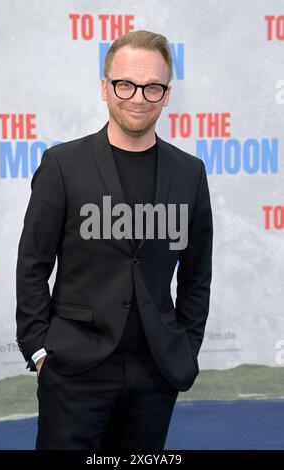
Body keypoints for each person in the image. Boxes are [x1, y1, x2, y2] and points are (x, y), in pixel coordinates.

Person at [16, 29, 213, 450]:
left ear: (166, 95)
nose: (138, 97)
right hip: (73, 368)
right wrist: (38, 349)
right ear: (105, 89)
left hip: (156, 372)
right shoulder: (62, 165)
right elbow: (32, 263)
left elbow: (198, 274)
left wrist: (187, 347)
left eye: (152, 87)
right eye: (126, 84)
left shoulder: (190, 173)